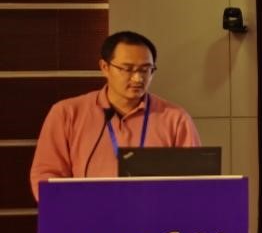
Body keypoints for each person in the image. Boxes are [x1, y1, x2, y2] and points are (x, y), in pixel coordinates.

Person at [29, 31, 201, 201]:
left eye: (145, 70)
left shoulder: (175, 119)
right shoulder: (67, 113)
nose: (138, 78)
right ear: (105, 67)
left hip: (154, 215)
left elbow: (194, 181)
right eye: (127, 69)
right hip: (87, 214)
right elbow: (46, 175)